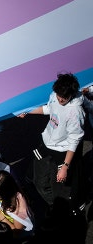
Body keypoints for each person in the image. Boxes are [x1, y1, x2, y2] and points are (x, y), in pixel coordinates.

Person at [19, 73, 85, 213]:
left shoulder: (75, 112)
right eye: (58, 95)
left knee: (60, 189)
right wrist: (28, 111)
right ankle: (55, 207)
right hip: (47, 144)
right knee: (39, 182)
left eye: (64, 98)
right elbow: (49, 109)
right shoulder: (55, 95)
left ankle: (65, 210)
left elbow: (74, 140)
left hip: (62, 152)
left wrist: (65, 167)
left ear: (71, 95)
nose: (60, 99)